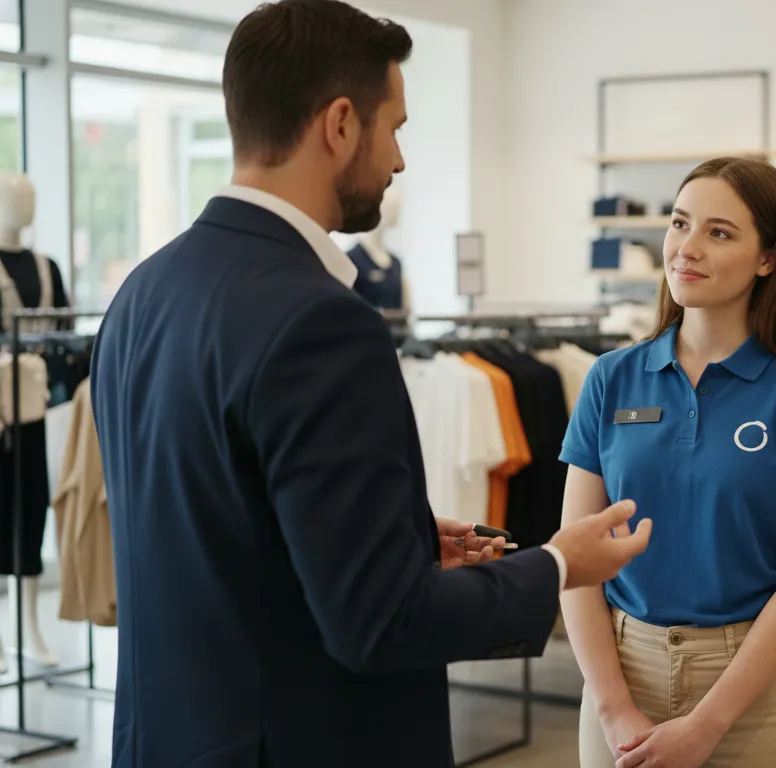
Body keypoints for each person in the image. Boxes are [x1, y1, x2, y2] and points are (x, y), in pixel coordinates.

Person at [89, 1, 650, 766]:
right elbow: (380, 625)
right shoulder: (322, 321)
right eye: (396, 127)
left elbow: (212, 528)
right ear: (341, 124)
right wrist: (555, 565)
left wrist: (404, 541)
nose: (399, 158)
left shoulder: (142, 293)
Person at [560, 157, 776, 768]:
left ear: (768, 258)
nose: (685, 248)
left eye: (718, 233)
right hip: (621, 675)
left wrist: (707, 725)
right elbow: (575, 558)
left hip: (751, 689)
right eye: (679, 223)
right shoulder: (610, 378)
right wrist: (614, 708)